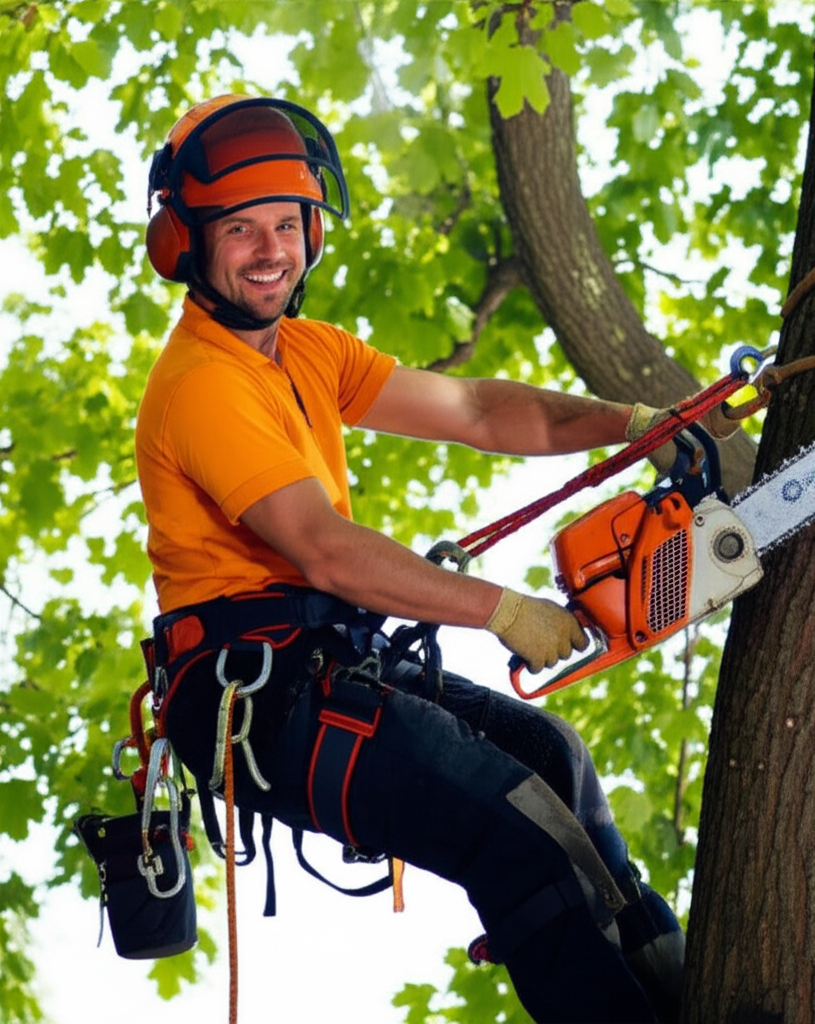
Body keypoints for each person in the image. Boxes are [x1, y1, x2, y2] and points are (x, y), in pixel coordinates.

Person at [136, 94, 694, 1024]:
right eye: (241, 230)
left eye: (287, 223)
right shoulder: (201, 384)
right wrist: (502, 608)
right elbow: (326, 550)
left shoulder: (307, 353)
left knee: (550, 758)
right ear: (186, 245)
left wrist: (629, 427)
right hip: (257, 700)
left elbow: (475, 411)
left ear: (314, 231)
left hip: (324, 666)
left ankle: (672, 987)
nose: (271, 250)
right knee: (512, 831)